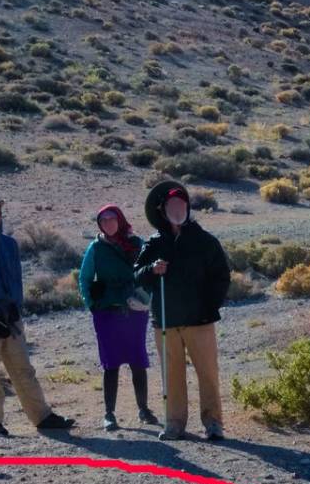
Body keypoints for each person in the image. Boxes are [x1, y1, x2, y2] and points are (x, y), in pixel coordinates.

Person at [0, 194, 75, 438]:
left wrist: (15, 308)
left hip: (10, 316)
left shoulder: (9, 244)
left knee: (23, 369)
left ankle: (42, 417)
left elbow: (17, 280)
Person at [133, 180, 231, 441]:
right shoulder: (153, 244)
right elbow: (137, 277)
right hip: (165, 320)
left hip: (200, 320)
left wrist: (210, 306)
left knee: (208, 374)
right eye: (172, 205)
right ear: (163, 210)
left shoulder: (205, 241)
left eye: (182, 204)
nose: (178, 208)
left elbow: (221, 276)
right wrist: (152, 269)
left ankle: (213, 423)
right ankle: (174, 424)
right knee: (171, 375)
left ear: (187, 207)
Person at [77, 204, 158, 430]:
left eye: (112, 219)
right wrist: (92, 305)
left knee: (137, 361)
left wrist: (145, 298)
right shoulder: (95, 248)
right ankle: (109, 414)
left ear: (120, 220)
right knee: (110, 364)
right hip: (107, 312)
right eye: (103, 220)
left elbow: (148, 272)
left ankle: (143, 409)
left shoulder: (136, 244)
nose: (108, 224)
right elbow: (84, 279)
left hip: (134, 311)